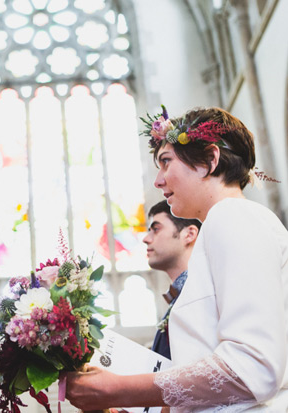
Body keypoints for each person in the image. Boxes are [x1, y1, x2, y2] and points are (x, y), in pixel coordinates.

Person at [66, 106, 288, 412]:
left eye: (166, 162)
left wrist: (117, 390)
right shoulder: (223, 224)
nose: (158, 181)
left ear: (210, 161)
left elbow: (253, 367)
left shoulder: (232, 215)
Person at [143, 200, 200, 360]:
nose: (146, 239)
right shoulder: (182, 294)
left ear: (189, 235)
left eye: (156, 229)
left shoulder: (201, 293)